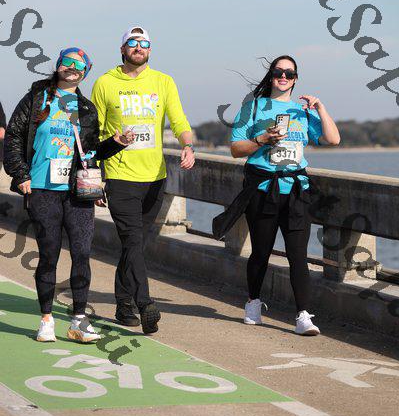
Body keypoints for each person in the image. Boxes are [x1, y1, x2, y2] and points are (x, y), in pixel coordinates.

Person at [3, 48, 134, 343]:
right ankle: (46, 318)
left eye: (80, 65)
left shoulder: (85, 108)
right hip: (42, 189)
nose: (73, 68)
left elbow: (91, 152)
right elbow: (13, 137)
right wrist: (20, 175)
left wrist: (116, 143)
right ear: (58, 65)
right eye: (68, 62)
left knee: (82, 253)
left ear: (85, 73)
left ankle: (78, 320)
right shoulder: (37, 99)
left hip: (77, 193)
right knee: (49, 254)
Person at [213, 55, 340, 335]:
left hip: (296, 190)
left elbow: (333, 139)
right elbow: (235, 149)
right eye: (278, 72)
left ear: (295, 79)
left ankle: (303, 316)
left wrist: (320, 108)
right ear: (271, 76)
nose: (283, 77)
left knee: (298, 256)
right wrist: (262, 139)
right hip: (262, 190)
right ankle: (253, 303)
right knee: (261, 252)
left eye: (289, 73)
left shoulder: (302, 111)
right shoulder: (254, 107)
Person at [91, 25, 195, 334]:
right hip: (120, 176)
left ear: (150, 49)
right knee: (132, 242)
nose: (139, 47)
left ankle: (123, 306)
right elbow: (93, 134)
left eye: (144, 43)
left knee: (134, 246)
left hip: (154, 178)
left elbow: (178, 119)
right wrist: (95, 176)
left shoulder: (163, 81)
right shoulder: (105, 83)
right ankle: (145, 304)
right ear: (122, 49)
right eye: (133, 42)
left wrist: (188, 145)